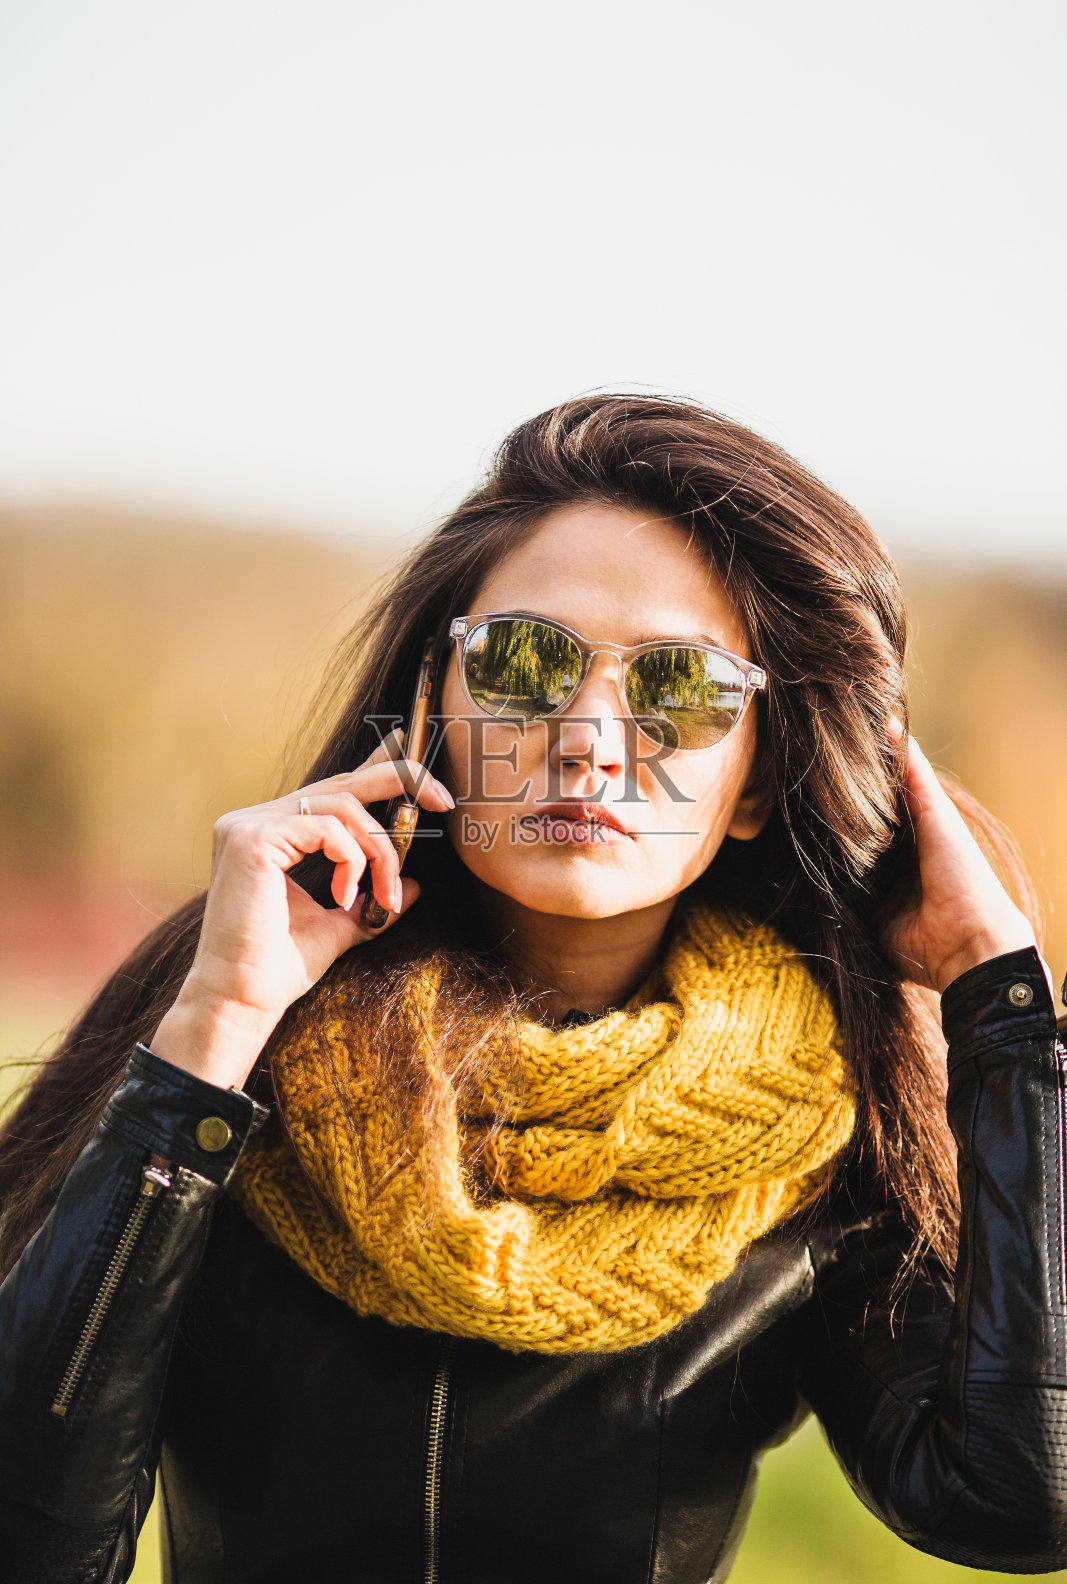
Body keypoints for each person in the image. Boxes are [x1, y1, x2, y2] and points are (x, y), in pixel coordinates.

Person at [0, 393, 1064, 1584]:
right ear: (429, 712)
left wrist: (1000, 1008)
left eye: (682, 687)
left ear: (757, 784)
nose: (590, 738)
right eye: (524, 660)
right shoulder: (225, 1085)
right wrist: (215, 1029)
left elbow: (1016, 1502)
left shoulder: (811, 1140)